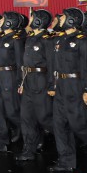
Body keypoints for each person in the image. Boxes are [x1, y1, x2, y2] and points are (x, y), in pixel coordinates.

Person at [49, 8, 87, 173]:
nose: (60, 20)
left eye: (63, 18)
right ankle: (66, 160)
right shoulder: (60, 40)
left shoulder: (82, 41)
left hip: (75, 84)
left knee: (79, 124)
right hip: (61, 83)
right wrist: (53, 84)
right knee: (59, 123)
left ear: (71, 20)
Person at [15, 9, 54, 161]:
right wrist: (22, 82)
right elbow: (25, 64)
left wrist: (52, 85)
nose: (30, 20)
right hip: (28, 79)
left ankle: (70, 140)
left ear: (39, 20)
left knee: (44, 118)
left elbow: (51, 64)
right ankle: (28, 150)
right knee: (26, 117)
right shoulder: (30, 38)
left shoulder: (47, 40)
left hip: (41, 79)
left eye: (33, 17)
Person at [0, 12, 24, 152]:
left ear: (9, 22)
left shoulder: (16, 39)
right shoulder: (0, 38)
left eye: (3, 19)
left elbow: (21, 63)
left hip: (11, 76)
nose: (0, 21)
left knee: (12, 111)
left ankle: (31, 133)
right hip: (0, 76)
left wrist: (21, 82)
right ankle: (2, 141)